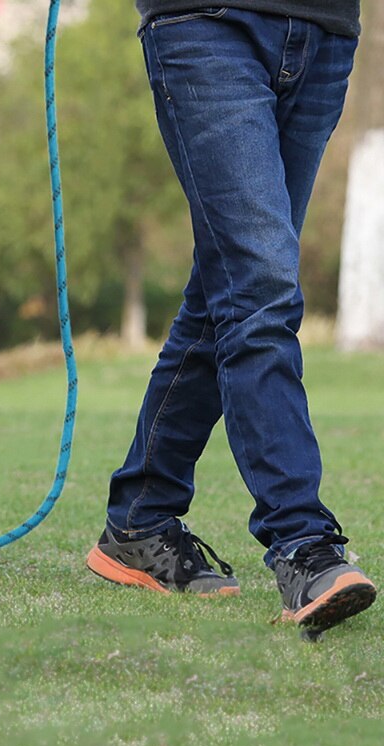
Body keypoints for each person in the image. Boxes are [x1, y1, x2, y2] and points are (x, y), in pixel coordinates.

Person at [86, 2, 377, 632]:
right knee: (260, 286)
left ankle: (140, 520)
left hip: (326, 30)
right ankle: (304, 545)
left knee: (228, 289)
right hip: (206, 21)